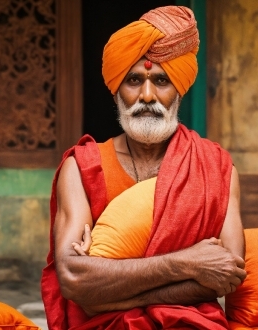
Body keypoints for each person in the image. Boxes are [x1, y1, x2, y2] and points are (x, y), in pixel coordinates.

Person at [41, 6, 246, 329]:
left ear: (179, 88)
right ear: (117, 89)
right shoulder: (82, 167)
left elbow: (226, 275)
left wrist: (109, 291)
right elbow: (73, 278)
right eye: (134, 80)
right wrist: (186, 262)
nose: (147, 95)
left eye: (161, 80)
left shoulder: (215, 168)